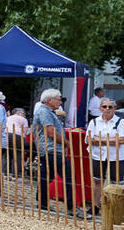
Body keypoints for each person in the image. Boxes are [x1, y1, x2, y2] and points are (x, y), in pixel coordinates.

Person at [32, 89, 89, 219]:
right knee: (69, 177)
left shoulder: (47, 111)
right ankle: (71, 207)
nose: (60, 101)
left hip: (49, 150)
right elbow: (51, 132)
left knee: (47, 176)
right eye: (59, 99)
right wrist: (66, 143)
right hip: (52, 149)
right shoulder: (44, 112)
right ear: (49, 100)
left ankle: (43, 203)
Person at [86, 97, 124, 215]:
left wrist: (99, 139)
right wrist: (111, 140)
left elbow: (122, 139)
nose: (107, 109)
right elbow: (89, 139)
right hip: (98, 155)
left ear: (114, 108)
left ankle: (115, 207)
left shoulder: (121, 122)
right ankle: (94, 206)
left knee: (117, 182)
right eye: (104, 107)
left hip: (117, 156)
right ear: (100, 108)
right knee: (97, 181)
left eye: (110, 107)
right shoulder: (94, 122)